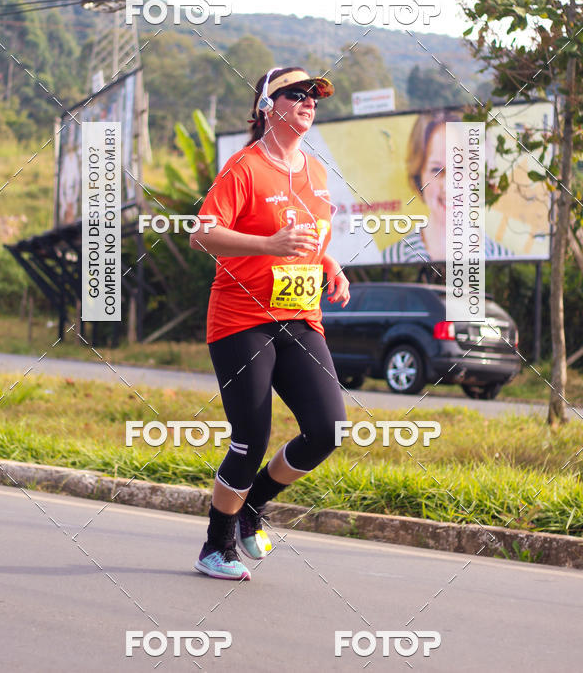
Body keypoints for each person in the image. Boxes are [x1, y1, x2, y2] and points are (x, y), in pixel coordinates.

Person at [189, 66, 351, 581]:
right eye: (296, 94)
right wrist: (266, 246)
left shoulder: (317, 172)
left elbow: (312, 237)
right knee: (250, 437)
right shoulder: (244, 168)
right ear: (268, 106)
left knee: (327, 429)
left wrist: (331, 266)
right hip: (242, 320)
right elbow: (203, 234)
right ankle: (216, 545)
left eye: (314, 96)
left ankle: (252, 508)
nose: (309, 102)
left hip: (300, 316)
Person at [381, 110, 513, 263]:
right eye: (436, 170)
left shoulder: (507, 262)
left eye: (461, 168)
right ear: (419, 176)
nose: (448, 186)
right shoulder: (387, 261)